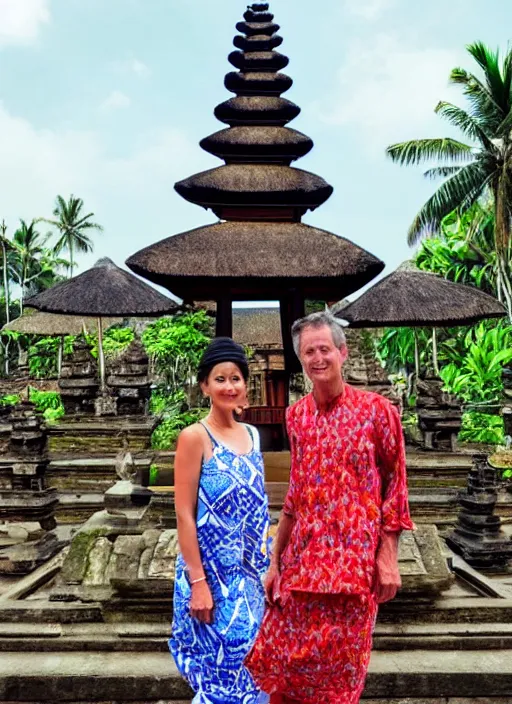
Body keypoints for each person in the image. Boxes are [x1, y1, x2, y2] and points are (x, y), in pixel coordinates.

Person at [246, 311, 415, 704]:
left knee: (340, 682)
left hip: (353, 572)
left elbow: (397, 486)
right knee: (284, 673)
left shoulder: (377, 411)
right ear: (301, 360)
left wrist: (388, 556)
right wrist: (275, 564)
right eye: (309, 352)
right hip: (302, 568)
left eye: (325, 349)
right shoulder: (297, 416)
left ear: (343, 352)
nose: (318, 358)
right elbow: (295, 496)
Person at [169, 337, 270, 704]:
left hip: (250, 581)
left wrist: (269, 573)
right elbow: (184, 514)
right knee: (221, 675)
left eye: (236, 378)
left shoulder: (254, 437)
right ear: (205, 386)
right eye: (220, 379)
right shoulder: (195, 437)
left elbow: (258, 515)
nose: (230, 386)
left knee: (257, 671)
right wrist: (198, 583)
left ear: (246, 384)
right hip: (209, 580)